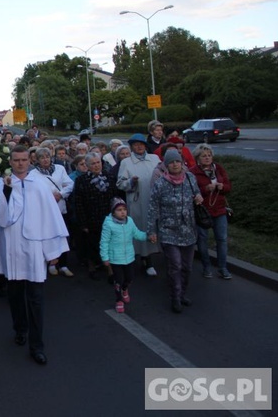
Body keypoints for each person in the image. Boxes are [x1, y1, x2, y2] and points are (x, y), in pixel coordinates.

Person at [0, 145, 68, 366]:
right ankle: (20, 328)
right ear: (10, 162)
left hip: (33, 248)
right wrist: (6, 192)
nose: (20, 163)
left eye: (23, 160)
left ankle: (37, 345)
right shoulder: (3, 185)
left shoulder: (39, 186)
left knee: (36, 298)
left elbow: (50, 217)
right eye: (16, 160)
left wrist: (52, 252)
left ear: (28, 162)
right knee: (15, 296)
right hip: (11, 247)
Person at [147, 150, 203, 313]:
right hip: (168, 231)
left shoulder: (190, 179)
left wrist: (198, 196)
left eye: (177, 161)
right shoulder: (160, 183)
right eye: (171, 162)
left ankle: (183, 293)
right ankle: (175, 297)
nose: (175, 164)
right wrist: (152, 230)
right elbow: (153, 208)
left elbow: (197, 193)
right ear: (166, 165)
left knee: (187, 267)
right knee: (175, 265)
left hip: (189, 231)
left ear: (182, 163)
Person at [116, 133, 160, 276]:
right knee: (142, 229)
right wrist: (131, 182)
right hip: (138, 201)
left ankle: (161, 256)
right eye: (135, 145)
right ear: (132, 147)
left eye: (141, 144)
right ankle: (146, 260)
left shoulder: (155, 159)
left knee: (157, 227)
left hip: (155, 201)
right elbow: (120, 183)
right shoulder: (126, 163)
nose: (139, 147)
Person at [29, 147, 74, 277]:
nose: (45, 159)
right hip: (45, 212)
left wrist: (60, 194)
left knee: (63, 235)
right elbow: (34, 192)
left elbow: (69, 184)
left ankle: (64, 264)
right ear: (37, 160)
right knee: (49, 236)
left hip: (60, 208)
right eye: (42, 157)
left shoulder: (60, 169)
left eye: (47, 156)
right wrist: (49, 197)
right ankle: (51, 263)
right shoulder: (33, 175)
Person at [190, 144, 232, 280]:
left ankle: (222, 267)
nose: (207, 158)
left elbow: (228, 187)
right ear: (197, 158)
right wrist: (205, 189)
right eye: (204, 156)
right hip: (203, 212)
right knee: (202, 240)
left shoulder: (218, 168)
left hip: (219, 210)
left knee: (222, 239)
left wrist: (222, 186)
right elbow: (190, 191)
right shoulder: (192, 172)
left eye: (209, 155)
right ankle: (206, 267)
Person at [100, 199, 147, 314]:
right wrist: (105, 257)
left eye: (124, 209)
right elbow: (104, 241)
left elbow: (137, 233)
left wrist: (148, 236)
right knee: (118, 280)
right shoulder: (108, 224)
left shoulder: (129, 221)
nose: (123, 212)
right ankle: (119, 300)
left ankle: (125, 289)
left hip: (129, 257)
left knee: (130, 277)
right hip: (116, 258)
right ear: (113, 212)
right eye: (119, 210)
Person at [73, 152, 115, 281]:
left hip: (108, 217)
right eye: (93, 164)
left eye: (98, 163)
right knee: (92, 244)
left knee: (108, 244)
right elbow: (78, 203)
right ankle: (92, 267)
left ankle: (110, 270)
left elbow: (114, 198)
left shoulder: (109, 177)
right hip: (91, 218)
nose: (96, 166)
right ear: (87, 165)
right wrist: (83, 223)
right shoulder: (81, 180)